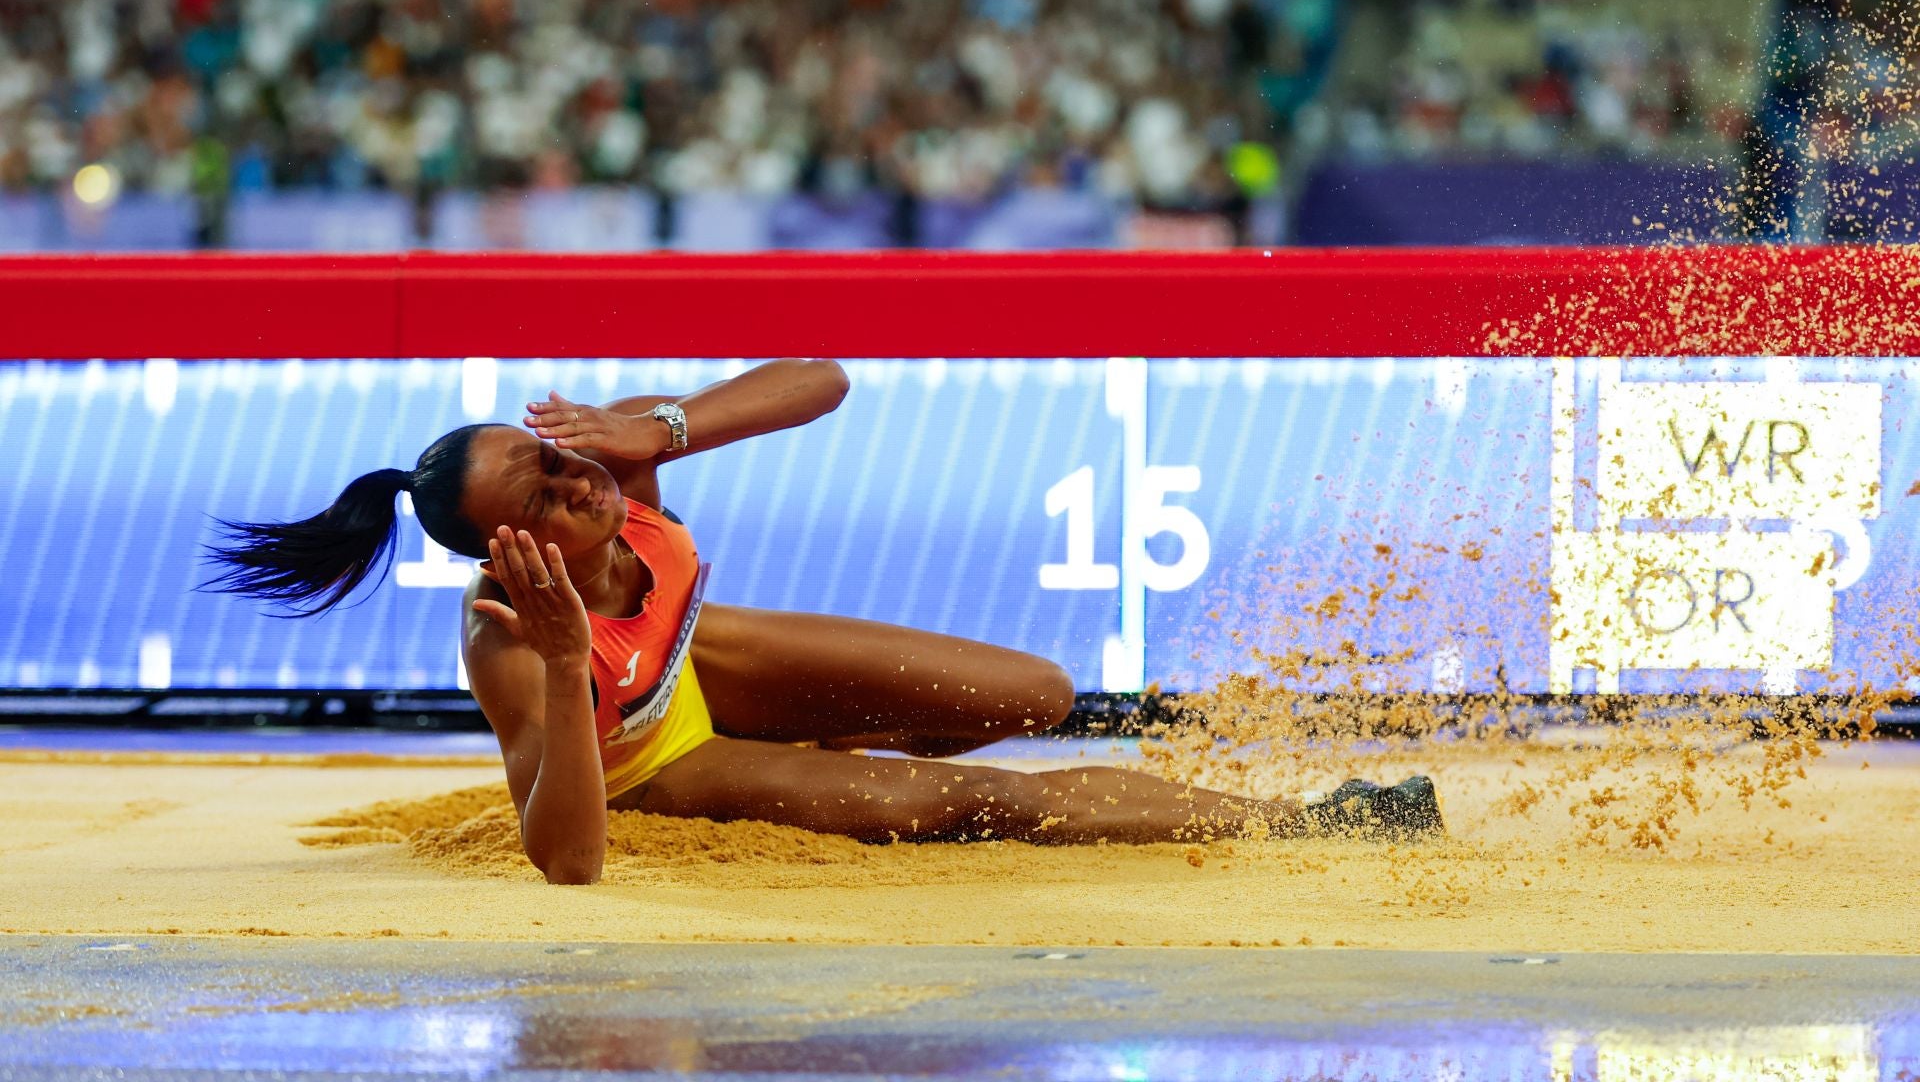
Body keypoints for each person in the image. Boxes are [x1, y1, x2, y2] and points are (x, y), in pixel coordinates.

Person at [206, 358, 1443, 884]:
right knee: (979, 807)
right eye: (543, 494)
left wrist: (667, 428)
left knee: (1037, 694)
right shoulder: (508, 640)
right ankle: (1308, 819)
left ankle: (838, 762)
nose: (573, 481)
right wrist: (576, 658)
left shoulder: (613, 452)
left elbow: (825, 376)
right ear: (510, 551)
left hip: (712, 654)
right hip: (657, 756)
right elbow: (568, 853)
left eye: (551, 455)